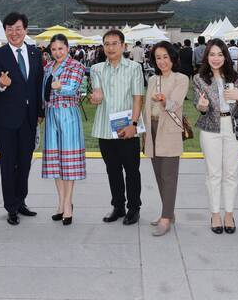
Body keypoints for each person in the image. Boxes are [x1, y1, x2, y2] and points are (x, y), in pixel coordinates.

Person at [0, 12, 44, 226]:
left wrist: (40, 112)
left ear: (25, 30)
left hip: (29, 120)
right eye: (9, 29)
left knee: (24, 164)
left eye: (18, 28)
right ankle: (10, 207)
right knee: (8, 165)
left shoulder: (34, 53)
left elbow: (38, 84)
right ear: (5, 31)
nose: (14, 32)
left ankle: (21, 201)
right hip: (6, 122)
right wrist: (1, 84)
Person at [193, 38, 238, 235]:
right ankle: (215, 213)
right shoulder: (199, 79)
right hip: (210, 129)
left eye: (220, 54)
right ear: (206, 57)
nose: (216, 58)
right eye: (212, 54)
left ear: (225, 56)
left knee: (231, 173)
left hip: (233, 128)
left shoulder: (236, 77)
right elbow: (197, 106)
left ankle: (229, 214)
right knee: (213, 173)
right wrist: (202, 106)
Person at [90, 29, 144, 225]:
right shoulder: (96, 69)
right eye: (107, 44)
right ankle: (118, 207)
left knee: (131, 170)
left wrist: (134, 124)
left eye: (114, 43)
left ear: (123, 46)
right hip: (105, 128)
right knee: (112, 170)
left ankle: (134, 208)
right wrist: (95, 99)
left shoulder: (134, 68)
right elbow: (96, 95)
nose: (110, 47)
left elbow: (138, 98)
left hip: (127, 127)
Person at [143, 41, 189, 236]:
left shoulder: (181, 78)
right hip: (152, 130)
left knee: (169, 177)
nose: (162, 61)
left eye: (165, 57)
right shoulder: (153, 79)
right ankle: (168, 212)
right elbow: (146, 105)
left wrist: (163, 100)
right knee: (159, 175)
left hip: (168, 129)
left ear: (173, 58)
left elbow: (175, 104)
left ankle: (165, 217)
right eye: (158, 58)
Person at [42, 34, 86, 225]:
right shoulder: (47, 68)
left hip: (68, 116)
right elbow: (43, 92)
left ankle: (68, 204)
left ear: (67, 48)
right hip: (51, 116)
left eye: (60, 48)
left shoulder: (76, 66)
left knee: (68, 161)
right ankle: (60, 203)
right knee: (56, 161)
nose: (57, 52)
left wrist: (59, 88)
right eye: (53, 49)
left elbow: (73, 88)